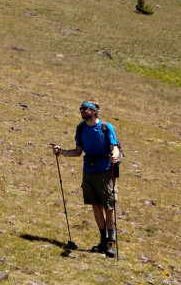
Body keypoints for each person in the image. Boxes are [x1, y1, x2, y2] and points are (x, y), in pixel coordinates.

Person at [51, 100, 121, 256]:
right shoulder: (81, 127)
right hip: (88, 170)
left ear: (94, 111)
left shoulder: (105, 127)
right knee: (96, 206)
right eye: (81, 109)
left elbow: (114, 147)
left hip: (105, 170)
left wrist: (114, 156)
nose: (82, 111)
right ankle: (103, 242)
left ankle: (111, 243)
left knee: (109, 207)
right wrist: (61, 151)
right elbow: (77, 151)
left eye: (86, 109)